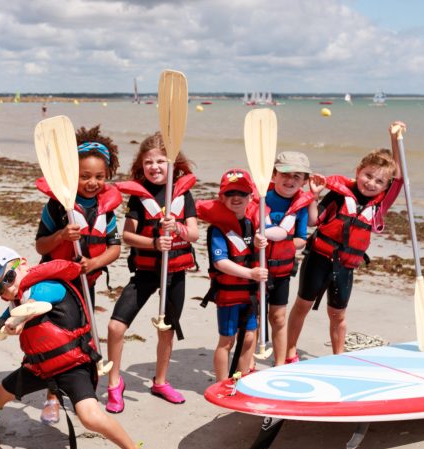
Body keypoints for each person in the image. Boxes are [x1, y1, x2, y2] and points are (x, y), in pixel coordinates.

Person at [0, 247, 146, 449]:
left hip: (73, 365)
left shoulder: (49, 286)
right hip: (38, 367)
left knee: (89, 416)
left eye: (8, 278)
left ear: (23, 264)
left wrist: (18, 321)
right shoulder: (17, 297)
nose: (8, 289)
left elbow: (35, 305)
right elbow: (6, 318)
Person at [286, 122, 406, 358]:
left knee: (338, 315)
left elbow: (399, 178)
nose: (371, 183)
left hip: (345, 267)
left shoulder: (380, 205)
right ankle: (290, 350)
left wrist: (395, 139)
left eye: (379, 181)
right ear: (358, 171)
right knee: (302, 306)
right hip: (318, 259)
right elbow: (313, 221)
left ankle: (339, 357)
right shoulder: (338, 195)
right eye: (368, 175)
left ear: (386, 186)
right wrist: (313, 196)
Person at [34, 125, 122, 425]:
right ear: (72, 174)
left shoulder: (106, 209)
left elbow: (114, 248)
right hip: (56, 285)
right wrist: (61, 235)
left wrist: (93, 263)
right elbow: (40, 245)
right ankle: (52, 397)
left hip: (86, 284)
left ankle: (83, 394)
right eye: (85, 176)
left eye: (99, 176)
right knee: (55, 340)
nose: (93, 182)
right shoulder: (57, 206)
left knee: (84, 339)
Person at [105, 132, 199, 413]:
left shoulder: (183, 194)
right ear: (141, 165)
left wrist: (177, 228)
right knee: (115, 327)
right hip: (146, 272)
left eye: (160, 161)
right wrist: (155, 243)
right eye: (149, 162)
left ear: (173, 164)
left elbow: (193, 234)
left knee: (166, 330)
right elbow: (128, 236)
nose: (154, 167)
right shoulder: (139, 197)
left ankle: (160, 382)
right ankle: (114, 383)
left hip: (174, 273)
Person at [196, 169, 268, 381]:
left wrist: (261, 244)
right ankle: (221, 383)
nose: (236, 197)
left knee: (249, 338)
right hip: (228, 295)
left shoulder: (254, 225)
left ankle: (241, 378)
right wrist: (250, 273)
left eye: (242, 193)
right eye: (230, 193)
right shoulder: (217, 229)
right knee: (227, 340)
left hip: (250, 294)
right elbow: (220, 262)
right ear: (221, 197)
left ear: (251, 197)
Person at [262, 152, 324, 365]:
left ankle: (280, 364)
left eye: (297, 176)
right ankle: (248, 364)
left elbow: (301, 239)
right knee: (254, 318)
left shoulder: (302, 204)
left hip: (282, 271)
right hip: (257, 268)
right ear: (273, 175)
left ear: (304, 181)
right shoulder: (261, 198)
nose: (290, 180)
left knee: (278, 317)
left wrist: (280, 239)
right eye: (285, 174)